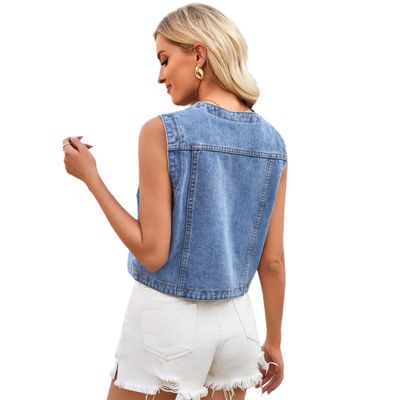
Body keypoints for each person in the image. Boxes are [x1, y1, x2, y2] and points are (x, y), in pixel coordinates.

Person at [62, 3, 287, 400]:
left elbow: (152, 252)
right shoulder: (273, 143)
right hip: (240, 326)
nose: (160, 75)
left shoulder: (163, 132)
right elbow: (272, 261)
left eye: (165, 60)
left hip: (168, 324)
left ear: (198, 55)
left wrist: (90, 177)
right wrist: (274, 341)